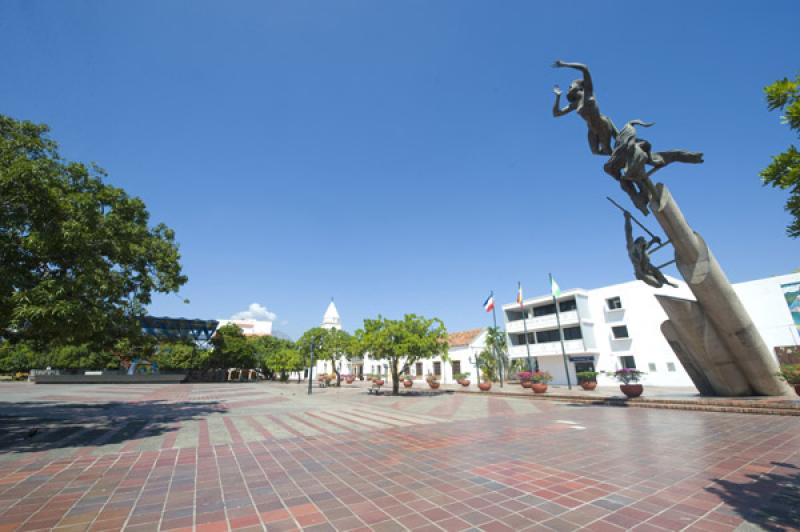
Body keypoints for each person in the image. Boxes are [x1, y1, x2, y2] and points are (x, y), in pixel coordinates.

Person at [552, 60, 618, 156]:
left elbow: (584, 68)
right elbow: (556, 113)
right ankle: (617, 157)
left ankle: (620, 159)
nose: (569, 88)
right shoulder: (574, 104)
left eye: (571, 86)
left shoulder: (588, 92)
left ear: (579, 87)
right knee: (595, 151)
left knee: (607, 149)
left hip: (601, 125)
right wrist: (558, 97)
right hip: (592, 129)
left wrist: (565, 64)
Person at [625, 212, 677, 288]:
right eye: (644, 239)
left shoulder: (643, 247)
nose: (645, 240)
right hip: (641, 273)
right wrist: (627, 219)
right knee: (659, 285)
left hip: (648, 267)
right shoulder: (632, 247)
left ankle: (668, 282)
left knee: (659, 276)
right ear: (639, 241)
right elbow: (628, 232)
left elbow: (649, 244)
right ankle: (659, 280)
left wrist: (654, 240)